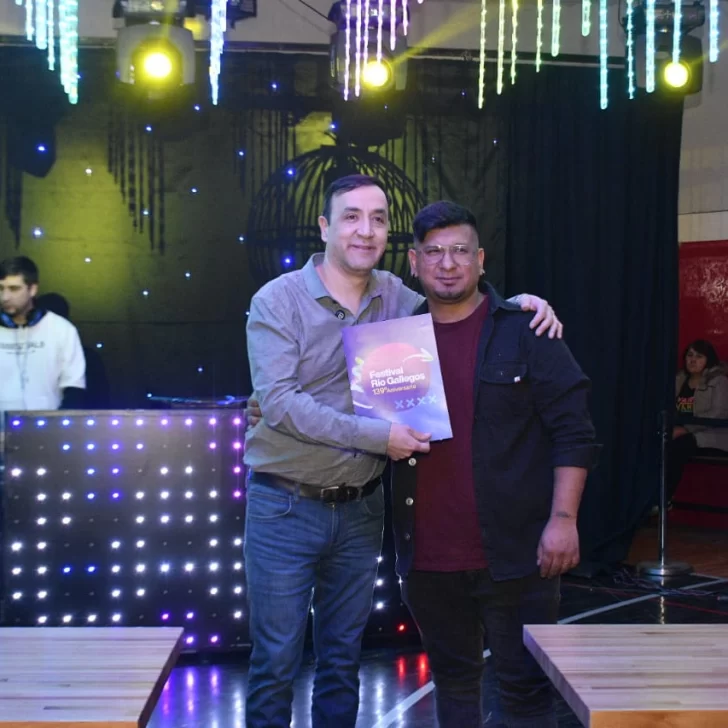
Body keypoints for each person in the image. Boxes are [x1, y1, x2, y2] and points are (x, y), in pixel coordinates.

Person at [243, 174, 563, 728]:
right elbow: (278, 403)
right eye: (351, 216)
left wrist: (520, 305)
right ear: (324, 227)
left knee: (343, 660)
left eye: (378, 218)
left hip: (363, 507)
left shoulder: (396, 296)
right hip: (285, 505)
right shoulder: (277, 299)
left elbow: (461, 300)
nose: (365, 230)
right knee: (275, 663)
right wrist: (378, 438)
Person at [390, 201, 599, 727]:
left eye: (460, 251)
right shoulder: (392, 343)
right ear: (414, 262)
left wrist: (564, 520)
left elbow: (574, 431)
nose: (448, 263)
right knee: (454, 686)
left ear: (480, 260)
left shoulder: (527, 329)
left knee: (526, 694)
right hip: (428, 559)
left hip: (518, 554)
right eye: (434, 252)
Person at [0, 256, 86, 419]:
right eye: (1, 288)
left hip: (47, 430)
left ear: (32, 289)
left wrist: (58, 426)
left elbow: (74, 387)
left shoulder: (62, 330)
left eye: (14, 289)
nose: (5, 297)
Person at [667, 339, 728, 503]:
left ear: (709, 359)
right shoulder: (679, 379)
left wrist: (686, 429)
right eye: (690, 355)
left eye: (699, 356)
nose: (693, 360)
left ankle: (664, 498)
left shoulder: (719, 381)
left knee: (678, 445)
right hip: (680, 432)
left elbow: (718, 414)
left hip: (712, 435)